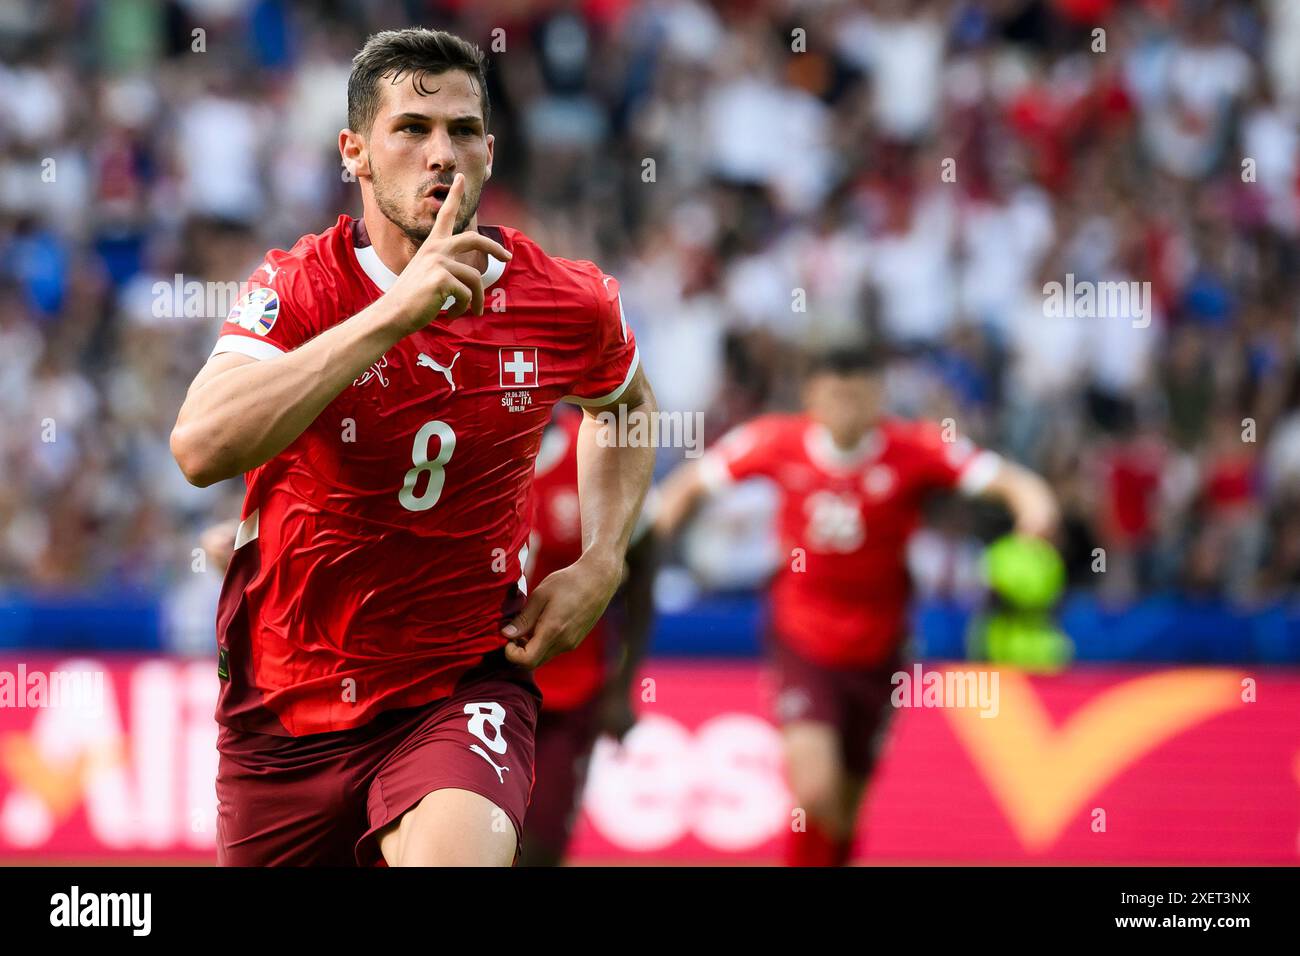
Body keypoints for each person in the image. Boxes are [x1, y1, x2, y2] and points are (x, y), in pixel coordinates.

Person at [170, 28, 656, 866]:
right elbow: (202, 447)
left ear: (491, 152)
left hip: (458, 685)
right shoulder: (298, 289)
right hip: (285, 702)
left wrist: (603, 559)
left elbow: (628, 407)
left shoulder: (562, 303)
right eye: (413, 129)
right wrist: (395, 316)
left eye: (463, 131)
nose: (443, 154)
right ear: (355, 152)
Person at [653, 348, 1057, 866]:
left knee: (844, 812)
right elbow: (691, 483)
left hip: (880, 648)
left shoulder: (914, 449)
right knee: (815, 789)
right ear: (812, 397)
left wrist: (1034, 513)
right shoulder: (777, 440)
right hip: (803, 639)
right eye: (836, 392)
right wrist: (646, 541)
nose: (847, 405)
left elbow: (1012, 483)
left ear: (879, 397)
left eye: (860, 392)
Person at [518, 407, 656, 866]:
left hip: (569, 692)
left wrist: (623, 684)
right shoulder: (460, 448)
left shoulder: (594, 449)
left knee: (541, 848)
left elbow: (645, 559)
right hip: (479, 690)